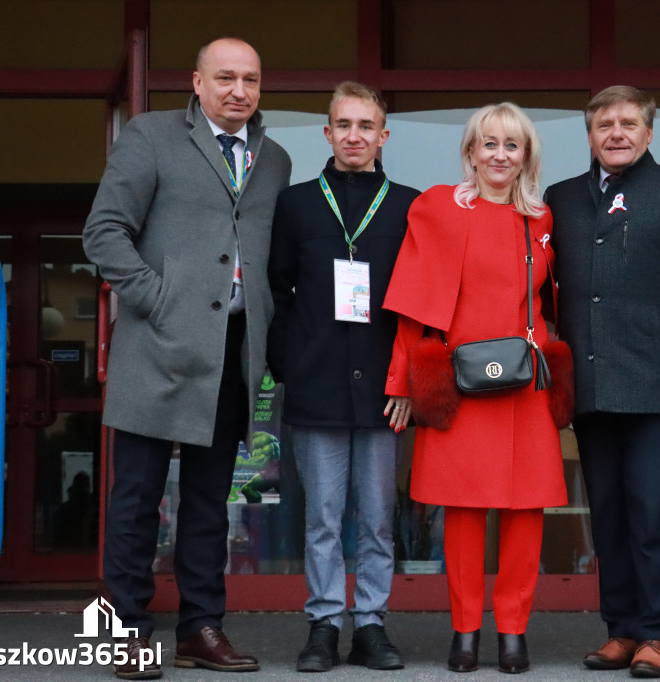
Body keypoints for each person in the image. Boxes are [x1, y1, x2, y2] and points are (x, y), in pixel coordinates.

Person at [83, 37, 291, 679]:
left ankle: (202, 627)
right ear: (196, 84)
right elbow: (103, 233)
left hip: (234, 353)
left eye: (250, 79)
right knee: (138, 500)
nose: (238, 90)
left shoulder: (275, 157)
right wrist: (160, 299)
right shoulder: (149, 136)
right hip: (157, 346)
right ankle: (126, 634)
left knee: (208, 503)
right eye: (224, 77)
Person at [544, 86, 660, 678]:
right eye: (605, 125)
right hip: (591, 385)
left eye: (629, 123)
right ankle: (621, 629)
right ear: (591, 134)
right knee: (608, 513)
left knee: (651, 509)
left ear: (649, 133)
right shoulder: (562, 198)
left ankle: (655, 633)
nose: (617, 133)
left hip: (659, 386)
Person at [384, 103, 568, 674]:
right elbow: (413, 307)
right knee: (462, 513)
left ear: (526, 157)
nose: (500, 155)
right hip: (460, 383)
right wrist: (405, 382)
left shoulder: (540, 220)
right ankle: (465, 632)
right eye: (489, 143)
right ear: (470, 152)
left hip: (523, 383)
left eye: (512, 146)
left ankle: (513, 631)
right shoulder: (439, 207)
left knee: (524, 512)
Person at [266, 81, 419, 673]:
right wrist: (288, 364)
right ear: (327, 134)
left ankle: (372, 626)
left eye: (367, 126)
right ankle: (324, 625)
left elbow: (420, 304)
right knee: (323, 518)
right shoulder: (296, 204)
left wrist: (407, 378)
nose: (355, 136)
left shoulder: (410, 206)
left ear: (383, 136)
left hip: (385, 390)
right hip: (317, 383)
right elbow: (277, 291)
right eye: (344, 125)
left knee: (379, 520)